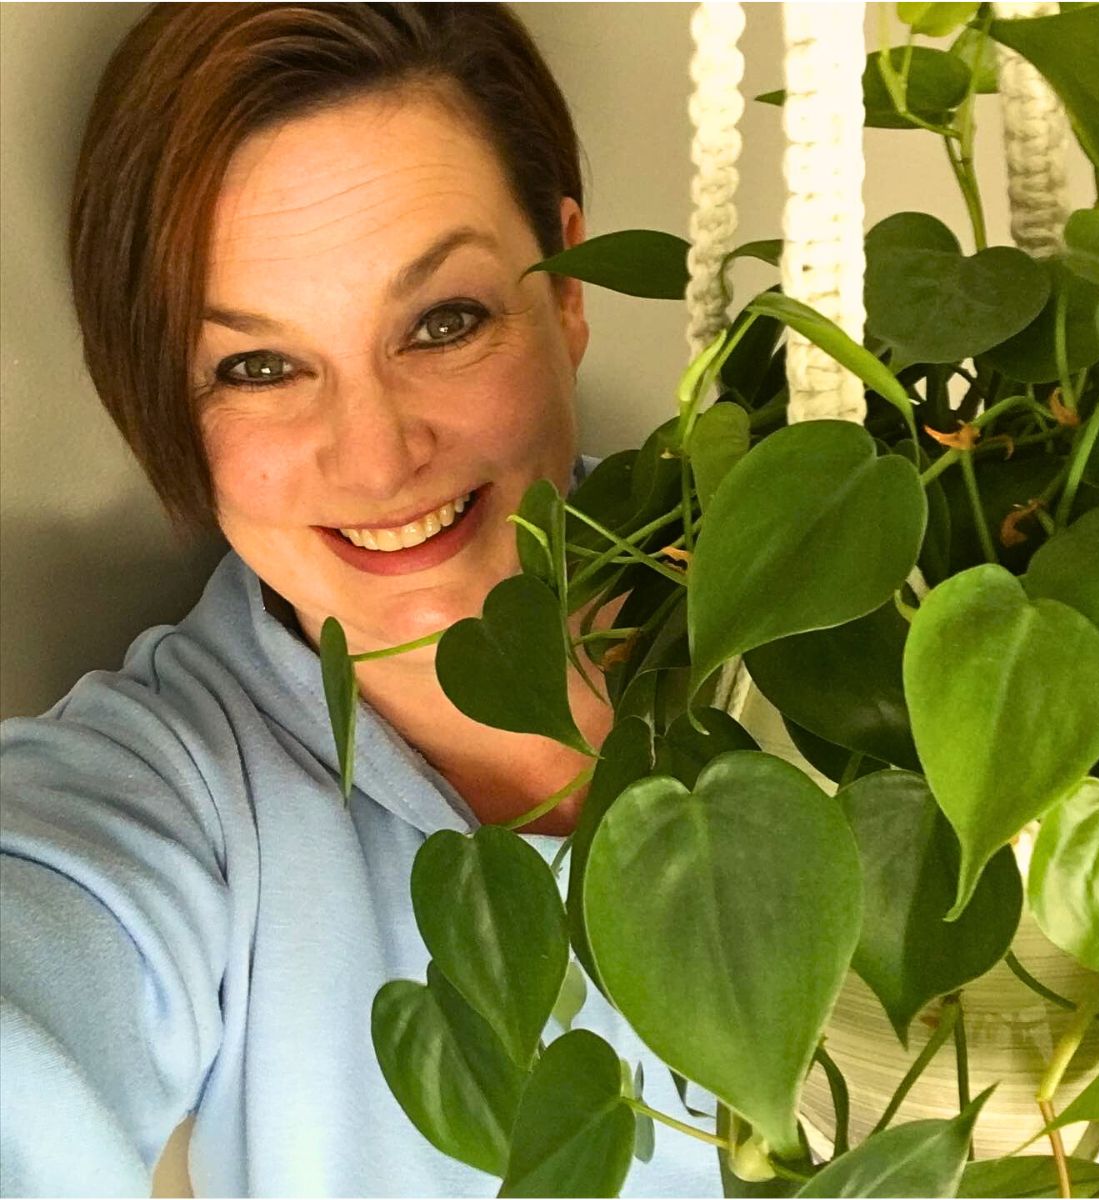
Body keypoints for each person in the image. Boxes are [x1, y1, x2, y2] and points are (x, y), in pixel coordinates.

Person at [0, 5, 723, 1195]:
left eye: (444, 323)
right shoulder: (167, 790)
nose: (380, 459)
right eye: (260, 367)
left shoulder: (846, 635)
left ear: (571, 287)